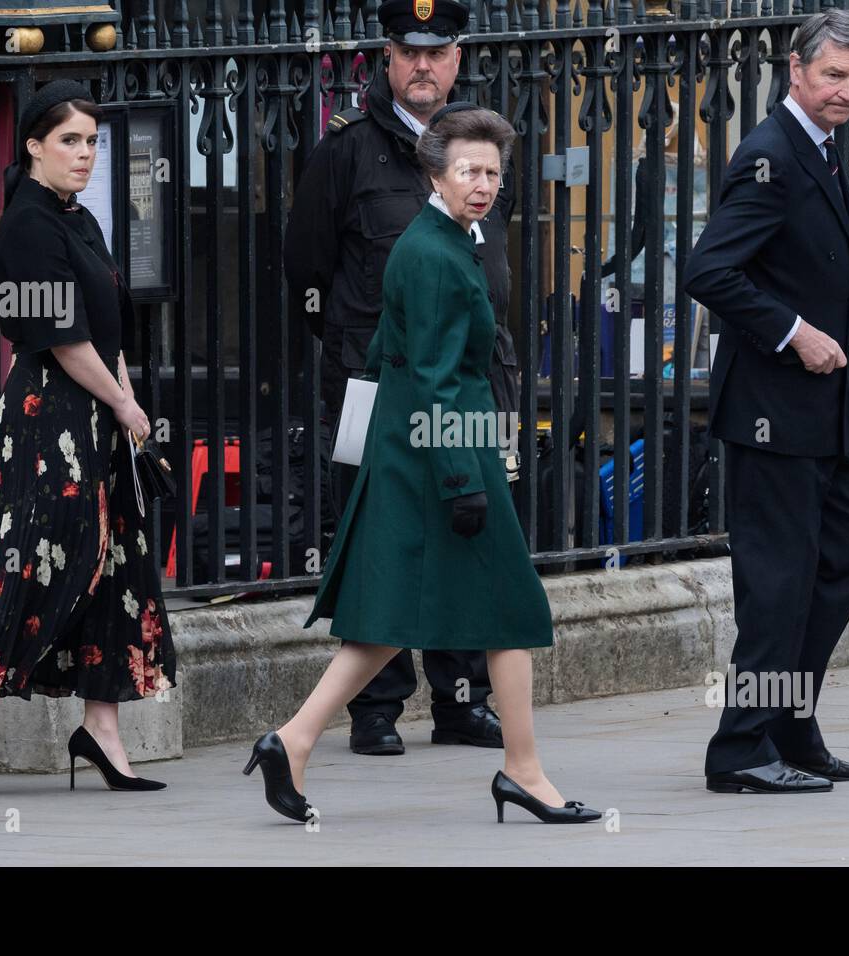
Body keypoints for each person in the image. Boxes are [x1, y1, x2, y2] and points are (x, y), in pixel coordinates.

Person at [246, 104, 600, 826]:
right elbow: (436, 376)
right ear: (434, 171)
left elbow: (390, 355)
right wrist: (464, 480)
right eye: (468, 169)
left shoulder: (438, 241)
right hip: (448, 451)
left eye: (493, 172)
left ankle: (294, 738)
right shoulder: (435, 253)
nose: (483, 183)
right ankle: (525, 774)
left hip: (424, 450)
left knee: (389, 616)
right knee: (512, 609)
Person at [0, 80, 176, 792]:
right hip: (47, 416)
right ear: (33, 145)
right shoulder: (28, 223)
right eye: (70, 141)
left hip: (96, 410)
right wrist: (122, 403)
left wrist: (127, 400)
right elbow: (61, 340)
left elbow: (106, 326)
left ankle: (103, 731)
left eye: (92, 141)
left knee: (116, 563)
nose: (85, 154)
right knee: (27, 559)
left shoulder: (79, 218)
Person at [283, 0, 517, 758]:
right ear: (385, 57)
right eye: (409, 51)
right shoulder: (346, 153)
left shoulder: (478, 147)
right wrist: (358, 352)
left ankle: (460, 702)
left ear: (458, 57)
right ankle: (376, 711)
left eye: (438, 51)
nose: (423, 66)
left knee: (465, 525)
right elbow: (308, 267)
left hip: (467, 383)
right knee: (378, 543)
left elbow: (492, 277)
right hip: (375, 390)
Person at [682, 9, 849, 794]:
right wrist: (793, 331)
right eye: (833, 75)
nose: (846, 91)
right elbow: (708, 271)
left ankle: (791, 722)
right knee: (778, 580)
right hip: (772, 408)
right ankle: (740, 749)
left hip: (823, 410)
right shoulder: (770, 155)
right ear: (795, 71)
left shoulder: (823, 149)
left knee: (848, 550)